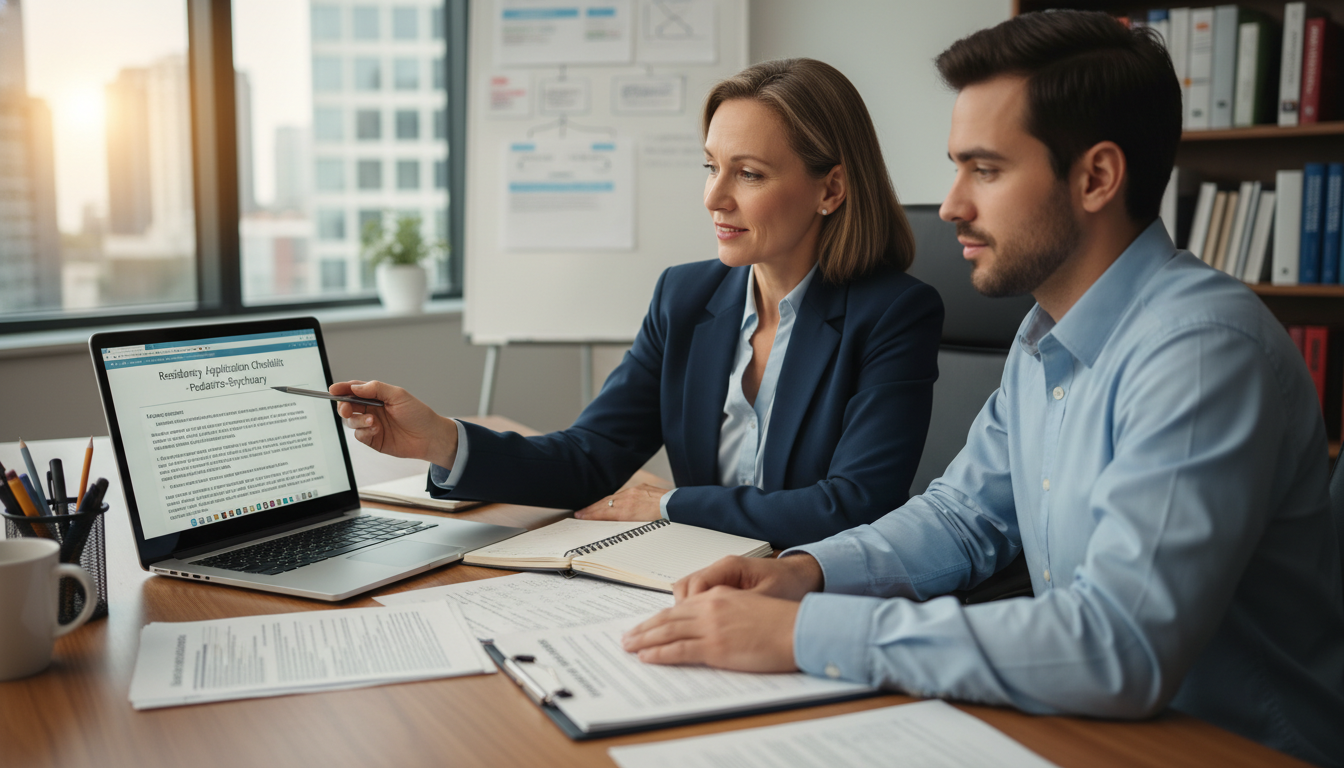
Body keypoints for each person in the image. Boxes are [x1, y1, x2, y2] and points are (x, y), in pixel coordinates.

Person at [621, 12, 1344, 766]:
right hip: (1084, 727)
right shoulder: (1044, 335)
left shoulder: (1200, 353)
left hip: (1221, 747)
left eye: (985, 169)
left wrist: (804, 633)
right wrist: (803, 574)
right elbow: (963, 518)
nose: (954, 204)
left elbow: (1119, 647)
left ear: (1096, 177)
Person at [333, 59, 943, 548]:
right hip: (696, 575)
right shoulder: (687, 297)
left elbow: (854, 506)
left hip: (819, 591)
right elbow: (589, 456)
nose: (715, 197)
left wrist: (669, 504)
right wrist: (440, 439)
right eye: (711, 167)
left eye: (749, 174)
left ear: (830, 188)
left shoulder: (893, 313)